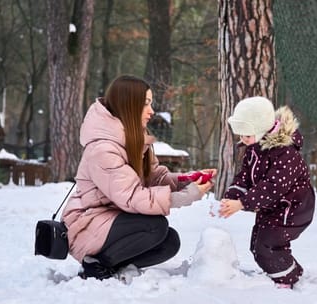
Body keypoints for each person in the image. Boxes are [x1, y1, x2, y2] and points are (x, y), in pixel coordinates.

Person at [62, 75, 215, 280]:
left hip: (114, 220)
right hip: (87, 224)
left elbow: (154, 176)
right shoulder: (103, 149)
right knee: (155, 226)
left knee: (170, 242)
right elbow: (132, 197)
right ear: (129, 105)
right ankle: (96, 264)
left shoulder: (134, 140)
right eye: (146, 104)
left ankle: (114, 266)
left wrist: (188, 179)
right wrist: (187, 196)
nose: (151, 111)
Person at [218, 96, 315, 288]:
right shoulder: (254, 149)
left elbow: (272, 187)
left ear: (262, 129)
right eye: (241, 135)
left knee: (267, 246)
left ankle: (288, 279)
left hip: (292, 209)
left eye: (247, 135)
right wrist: (232, 196)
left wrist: (243, 203)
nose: (243, 140)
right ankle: (289, 271)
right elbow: (245, 176)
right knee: (257, 245)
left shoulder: (286, 153)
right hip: (271, 207)